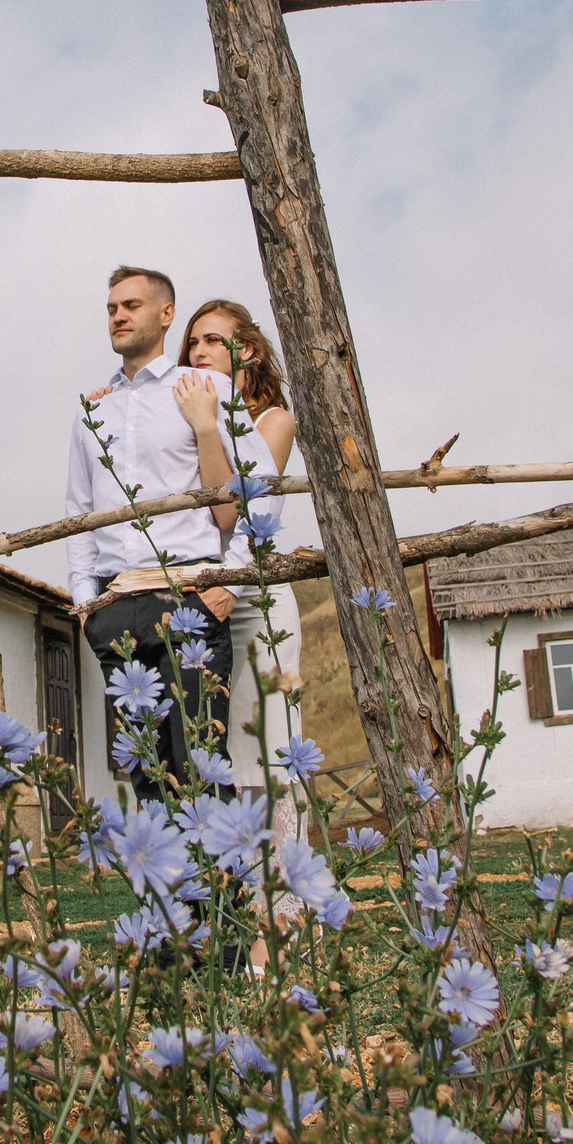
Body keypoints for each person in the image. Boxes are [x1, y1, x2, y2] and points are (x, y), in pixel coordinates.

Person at [65, 266, 242, 799]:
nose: (119, 315)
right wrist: (84, 602)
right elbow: (79, 510)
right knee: (148, 777)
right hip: (115, 609)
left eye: (132, 305)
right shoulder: (91, 410)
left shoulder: (208, 387)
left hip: (189, 598)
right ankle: (168, 886)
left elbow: (259, 491)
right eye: (112, 307)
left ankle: (222, 887)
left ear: (166, 315)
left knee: (201, 769)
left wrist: (231, 582)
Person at [178, 299, 308, 815]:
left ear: (247, 348)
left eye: (212, 339)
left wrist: (233, 585)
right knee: (218, 740)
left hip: (256, 593)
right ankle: (233, 883)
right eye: (192, 342)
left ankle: (282, 887)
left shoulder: (274, 420)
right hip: (201, 587)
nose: (199, 350)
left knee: (271, 736)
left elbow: (255, 508)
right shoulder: (184, 411)